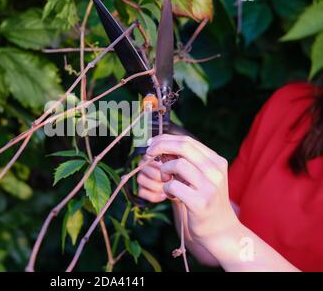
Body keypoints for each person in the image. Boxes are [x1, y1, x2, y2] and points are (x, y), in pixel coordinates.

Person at [137, 82, 323, 271]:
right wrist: (183, 183)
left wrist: (224, 231)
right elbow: (211, 253)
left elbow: (226, 235)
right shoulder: (290, 104)